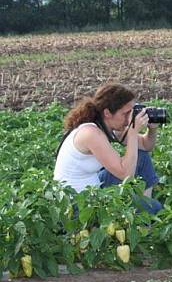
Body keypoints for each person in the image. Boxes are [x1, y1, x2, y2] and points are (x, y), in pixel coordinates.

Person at [54, 83, 163, 214]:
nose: (128, 119)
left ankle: (144, 206)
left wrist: (152, 129)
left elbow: (146, 146)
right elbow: (126, 174)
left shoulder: (106, 127)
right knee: (156, 207)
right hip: (76, 204)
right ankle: (145, 210)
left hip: (93, 188)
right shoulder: (91, 133)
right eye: (125, 114)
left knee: (142, 157)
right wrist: (133, 132)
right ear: (107, 113)